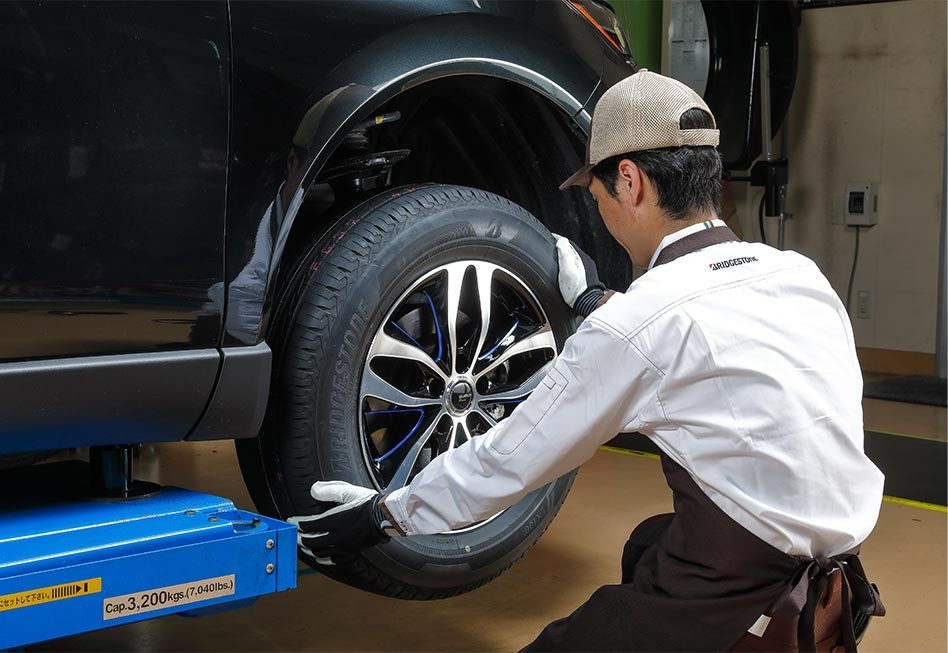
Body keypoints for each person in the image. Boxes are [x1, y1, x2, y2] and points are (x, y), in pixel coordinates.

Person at [291, 71, 886, 652]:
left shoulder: (640, 324)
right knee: (648, 546)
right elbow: (703, 335)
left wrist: (384, 516)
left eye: (598, 197)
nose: (601, 213)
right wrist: (596, 303)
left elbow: (512, 459)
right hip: (835, 568)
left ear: (630, 180)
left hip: (740, 585)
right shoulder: (798, 274)